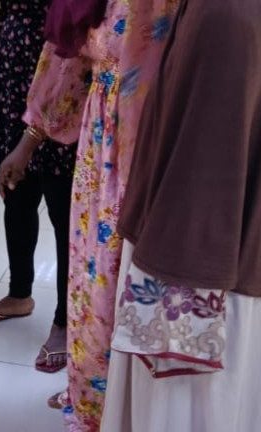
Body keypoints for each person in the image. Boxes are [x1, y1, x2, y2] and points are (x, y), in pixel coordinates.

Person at [0, 0, 179, 430]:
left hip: (155, 154)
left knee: (134, 284)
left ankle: (129, 408)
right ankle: (94, 395)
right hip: (101, 152)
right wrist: (28, 142)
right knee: (95, 275)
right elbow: (66, 62)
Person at [101, 0, 261, 430]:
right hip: (204, 251)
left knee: (184, 410)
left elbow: (207, 166)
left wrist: (171, 299)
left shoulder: (227, 14)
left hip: (198, 273)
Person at [0, 0, 77, 375]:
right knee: (16, 197)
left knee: (65, 217)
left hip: (62, 86)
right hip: (14, 81)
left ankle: (65, 321)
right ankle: (19, 294)